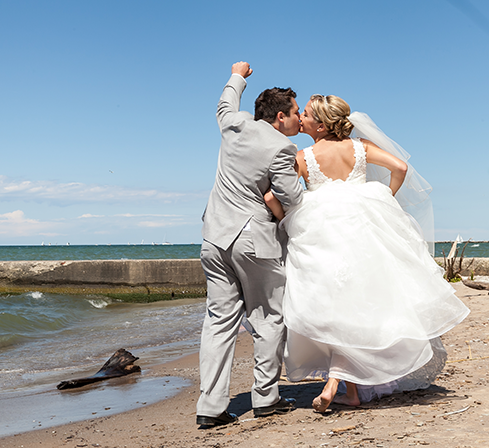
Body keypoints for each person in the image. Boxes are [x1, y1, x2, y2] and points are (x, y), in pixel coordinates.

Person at [265, 94, 469, 412]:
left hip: (322, 233)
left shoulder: (302, 156)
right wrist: (383, 197)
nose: (300, 118)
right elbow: (400, 166)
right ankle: (352, 391)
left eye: (304, 115)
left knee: (335, 309)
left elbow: (271, 197)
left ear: (319, 124)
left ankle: (338, 382)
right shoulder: (360, 146)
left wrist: (283, 219)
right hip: (363, 230)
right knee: (359, 305)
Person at [196, 61, 304, 427]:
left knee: (218, 322)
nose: (299, 117)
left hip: (213, 237)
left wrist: (237, 74)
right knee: (269, 317)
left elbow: (224, 103)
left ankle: (210, 408)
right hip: (254, 241)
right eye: (295, 112)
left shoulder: (234, 124)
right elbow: (292, 200)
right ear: (279, 117)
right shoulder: (282, 148)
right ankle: (266, 398)